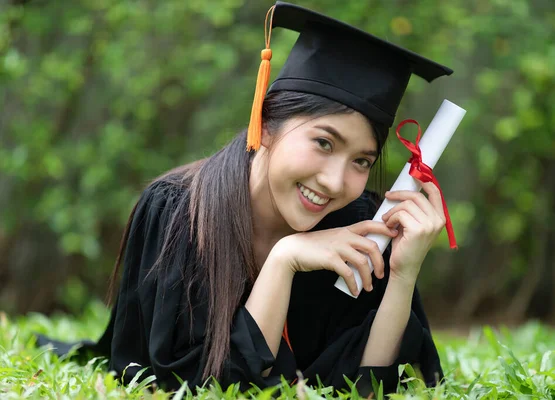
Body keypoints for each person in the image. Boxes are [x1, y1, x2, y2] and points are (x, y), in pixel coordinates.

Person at [37, 1, 455, 395]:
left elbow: (366, 385)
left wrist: (403, 273)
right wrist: (285, 259)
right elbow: (193, 386)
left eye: (361, 161)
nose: (334, 181)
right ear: (266, 121)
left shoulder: (358, 222)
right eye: (324, 143)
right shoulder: (177, 213)